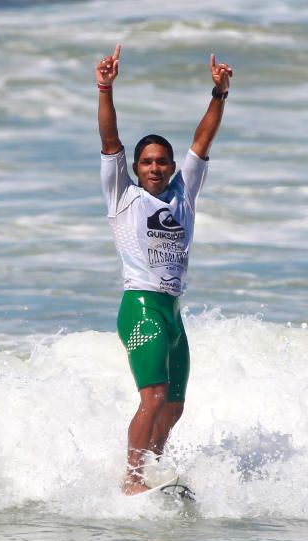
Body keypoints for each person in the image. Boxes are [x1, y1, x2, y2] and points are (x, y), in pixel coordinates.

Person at [96, 43, 232, 494]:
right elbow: (110, 140)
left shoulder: (183, 194)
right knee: (152, 398)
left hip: (172, 314)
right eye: (147, 162)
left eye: (161, 161)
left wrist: (219, 94)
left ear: (172, 167)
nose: (154, 167)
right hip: (141, 308)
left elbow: (202, 141)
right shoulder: (124, 195)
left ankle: (154, 469)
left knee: (173, 406)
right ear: (136, 168)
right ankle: (132, 479)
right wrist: (105, 89)